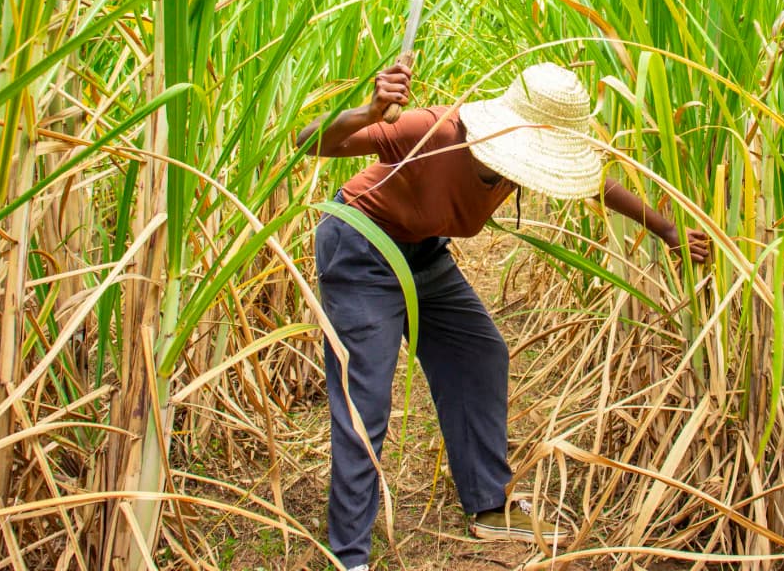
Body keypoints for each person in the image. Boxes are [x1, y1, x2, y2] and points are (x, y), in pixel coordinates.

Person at [296, 61, 708, 571]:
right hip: (362, 248)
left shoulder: (523, 165)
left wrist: (667, 231)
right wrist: (368, 111)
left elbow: (597, 185)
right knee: (366, 397)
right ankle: (350, 555)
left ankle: (490, 504)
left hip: (425, 254)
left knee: (479, 352)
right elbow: (309, 140)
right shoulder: (431, 131)